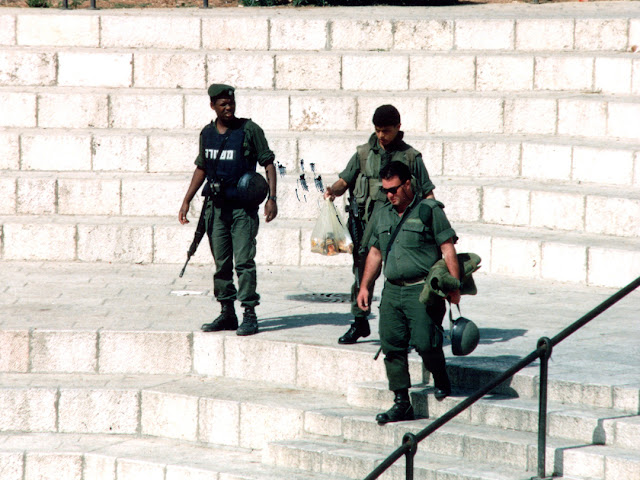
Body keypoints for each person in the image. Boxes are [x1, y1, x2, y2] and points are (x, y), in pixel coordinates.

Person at [356, 161, 460, 425]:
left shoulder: (429, 211)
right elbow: (376, 252)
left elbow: (447, 248)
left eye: (394, 189)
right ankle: (401, 401)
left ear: (408, 184)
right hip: (392, 291)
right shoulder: (382, 214)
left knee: (426, 342)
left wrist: (454, 287)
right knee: (392, 345)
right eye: (386, 191)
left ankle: (440, 375)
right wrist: (365, 285)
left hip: (421, 290)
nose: (390, 195)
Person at [324, 105, 436, 345]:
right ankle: (359, 321)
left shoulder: (410, 157)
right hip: (367, 227)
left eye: (386, 130)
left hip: (401, 227)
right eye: (377, 131)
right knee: (362, 275)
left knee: (402, 276)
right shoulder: (364, 154)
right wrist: (333, 190)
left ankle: (406, 327)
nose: (381, 136)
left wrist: (434, 221)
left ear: (398, 127)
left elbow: (427, 193)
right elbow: (346, 179)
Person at [179, 84, 278, 336]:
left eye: (231, 103)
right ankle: (227, 312)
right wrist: (187, 199)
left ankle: (249, 313)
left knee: (244, 261)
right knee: (221, 263)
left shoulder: (249, 130)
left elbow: (268, 163)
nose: (228, 108)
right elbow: (201, 167)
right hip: (216, 209)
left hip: (242, 209)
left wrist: (272, 198)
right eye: (223, 104)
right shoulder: (207, 134)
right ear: (212, 105)